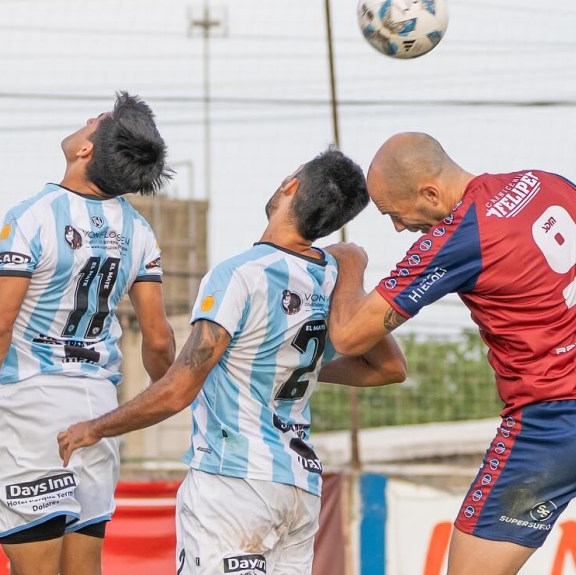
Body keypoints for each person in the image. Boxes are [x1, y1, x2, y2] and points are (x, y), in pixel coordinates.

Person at [326, 132, 576, 574]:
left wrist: (349, 264)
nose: (399, 228)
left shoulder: (461, 235)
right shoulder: (552, 184)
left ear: (431, 193)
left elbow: (349, 337)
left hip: (552, 431)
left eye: (394, 214)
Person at [56, 148, 407, 575]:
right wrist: (286, 362)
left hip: (233, 482)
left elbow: (177, 390)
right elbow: (389, 368)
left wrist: (94, 427)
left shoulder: (240, 273)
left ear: (290, 184)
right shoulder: (333, 280)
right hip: (299, 488)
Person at [0, 92, 176, 575]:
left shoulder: (32, 215)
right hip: (97, 409)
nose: (88, 119)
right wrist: (168, 392)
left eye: (95, 121)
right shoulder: (139, 231)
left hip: (30, 407)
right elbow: (157, 342)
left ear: (86, 151)